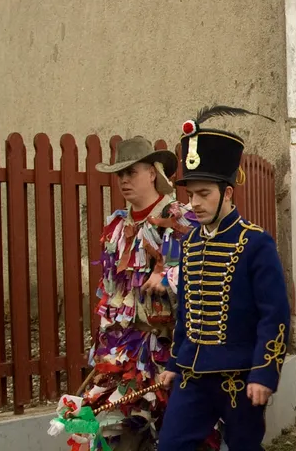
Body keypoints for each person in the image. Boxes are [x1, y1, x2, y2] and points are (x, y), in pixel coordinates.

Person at [157, 109, 290, 451]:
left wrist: (264, 372)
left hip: (239, 376)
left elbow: (273, 315)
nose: (194, 203)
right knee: (170, 445)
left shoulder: (256, 242)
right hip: (192, 373)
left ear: (228, 193)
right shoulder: (190, 243)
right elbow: (185, 313)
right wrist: (174, 362)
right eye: (190, 194)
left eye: (204, 193)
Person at [83, 137, 194, 450]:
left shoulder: (177, 218)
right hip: (124, 357)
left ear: (153, 172)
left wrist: (169, 274)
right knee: (121, 437)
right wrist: (105, 345)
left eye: (131, 172)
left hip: (171, 354)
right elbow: (111, 293)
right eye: (120, 174)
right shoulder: (116, 228)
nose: (124, 180)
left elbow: (196, 279)